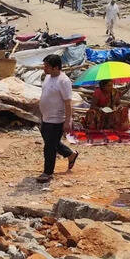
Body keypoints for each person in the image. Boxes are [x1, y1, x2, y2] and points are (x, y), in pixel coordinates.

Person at [36, 54, 78, 183]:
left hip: (57, 119)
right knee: (52, 142)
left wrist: (67, 120)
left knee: (49, 147)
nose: (44, 68)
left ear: (56, 67)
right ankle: (70, 154)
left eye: (47, 66)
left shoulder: (63, 81)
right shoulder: (48, 77)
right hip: (46, 117)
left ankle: (48, 172)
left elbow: (67, 102)